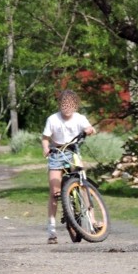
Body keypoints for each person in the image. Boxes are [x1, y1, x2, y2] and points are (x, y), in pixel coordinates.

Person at [41, 90, 95, 244]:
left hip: (73, 152)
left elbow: (89, 128)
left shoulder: (79, 118)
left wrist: (89, 130)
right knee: (54, 192)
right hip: (57, 153)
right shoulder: (52, 119)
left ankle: (92, 219)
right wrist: (46, 148)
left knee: (83, 184)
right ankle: (52, 230)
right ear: (60, 105)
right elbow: (45, 138)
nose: (67, 107)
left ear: (75, 106)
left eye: (70, 105)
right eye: (64, 104)